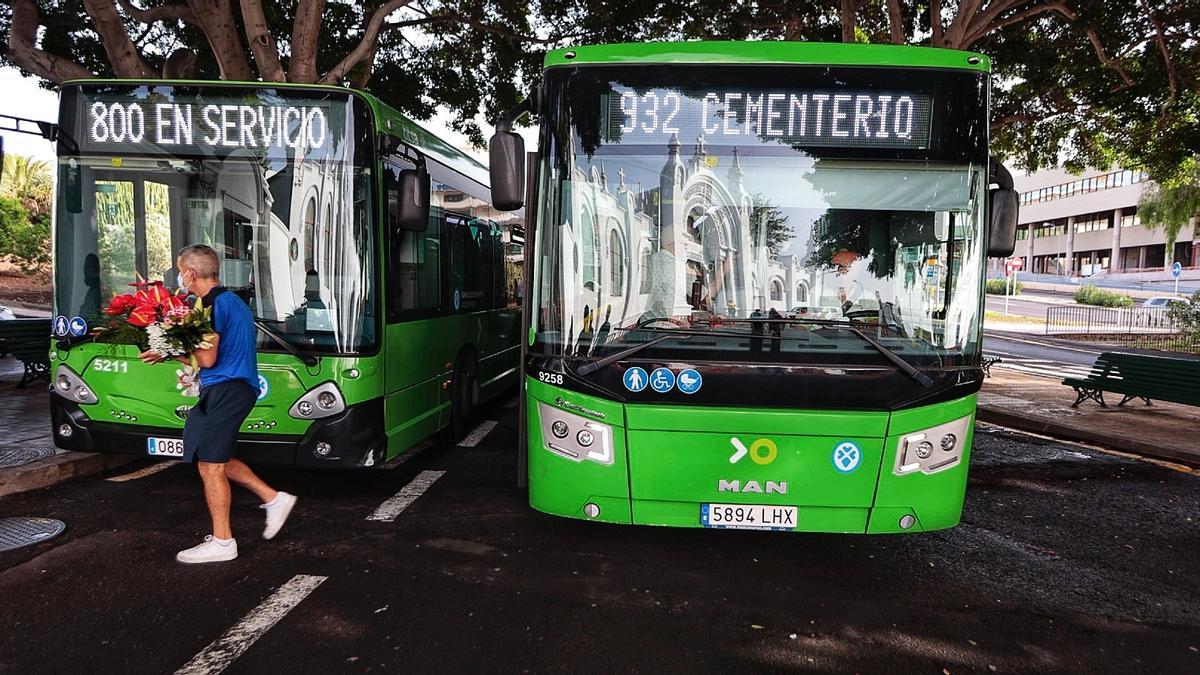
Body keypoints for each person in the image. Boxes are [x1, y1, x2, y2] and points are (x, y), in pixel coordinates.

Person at [140, 244, 296, 564]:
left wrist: (168, 350)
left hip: (228, 388)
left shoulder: (211, 304)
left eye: (180, 271)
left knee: (211, 465)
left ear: (191, 273)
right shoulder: (229, 301)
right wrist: (171, 349)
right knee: (209, 455)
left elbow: (208, 359)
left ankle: (224, 542)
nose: (178, 276)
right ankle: (274, 498)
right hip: (226, 389)